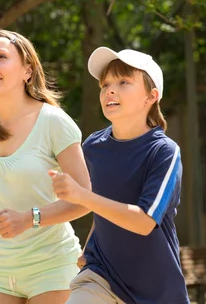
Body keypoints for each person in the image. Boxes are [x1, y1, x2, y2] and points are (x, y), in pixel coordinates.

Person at [0, 29, 92, 304]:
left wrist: (30, 218)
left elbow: (84, 199)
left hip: (52, 266)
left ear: (28, 71)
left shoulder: (54, 123)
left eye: (1, 57)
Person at [50, 47, 189, 304]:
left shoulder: (164, 152)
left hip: (157, 292)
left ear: (152, 96)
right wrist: (89, 246)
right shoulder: (93, 146)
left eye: (124, 82)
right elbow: (104, 203)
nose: (109, 90)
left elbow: (144, 222)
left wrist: (82, 195)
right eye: (105, 85)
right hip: (100, 275)